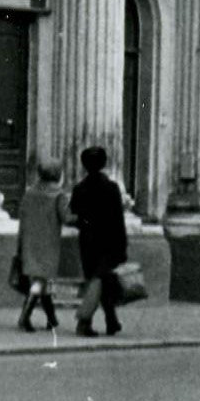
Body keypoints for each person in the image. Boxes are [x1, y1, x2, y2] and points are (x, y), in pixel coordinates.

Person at [70, 145, 128, 338]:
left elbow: (75, 215)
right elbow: (118, 220)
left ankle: (112, 321)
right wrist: (122, 246)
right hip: (109, 243)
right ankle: (83, 322)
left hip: (87, 243)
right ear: (103, 164)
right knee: (99, 281)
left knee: (100, 280)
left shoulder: (79, 189)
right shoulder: (111, 188)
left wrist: (86, 225)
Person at [15, 158, 67, 332]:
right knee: (40, 281)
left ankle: (52, 319)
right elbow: (66, 217)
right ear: (58, 174)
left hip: (29, 242)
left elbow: (22, 216)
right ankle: (24, 317)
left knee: (40, 280)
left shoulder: (29, 192)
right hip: (48, 244)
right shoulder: (59, 195)